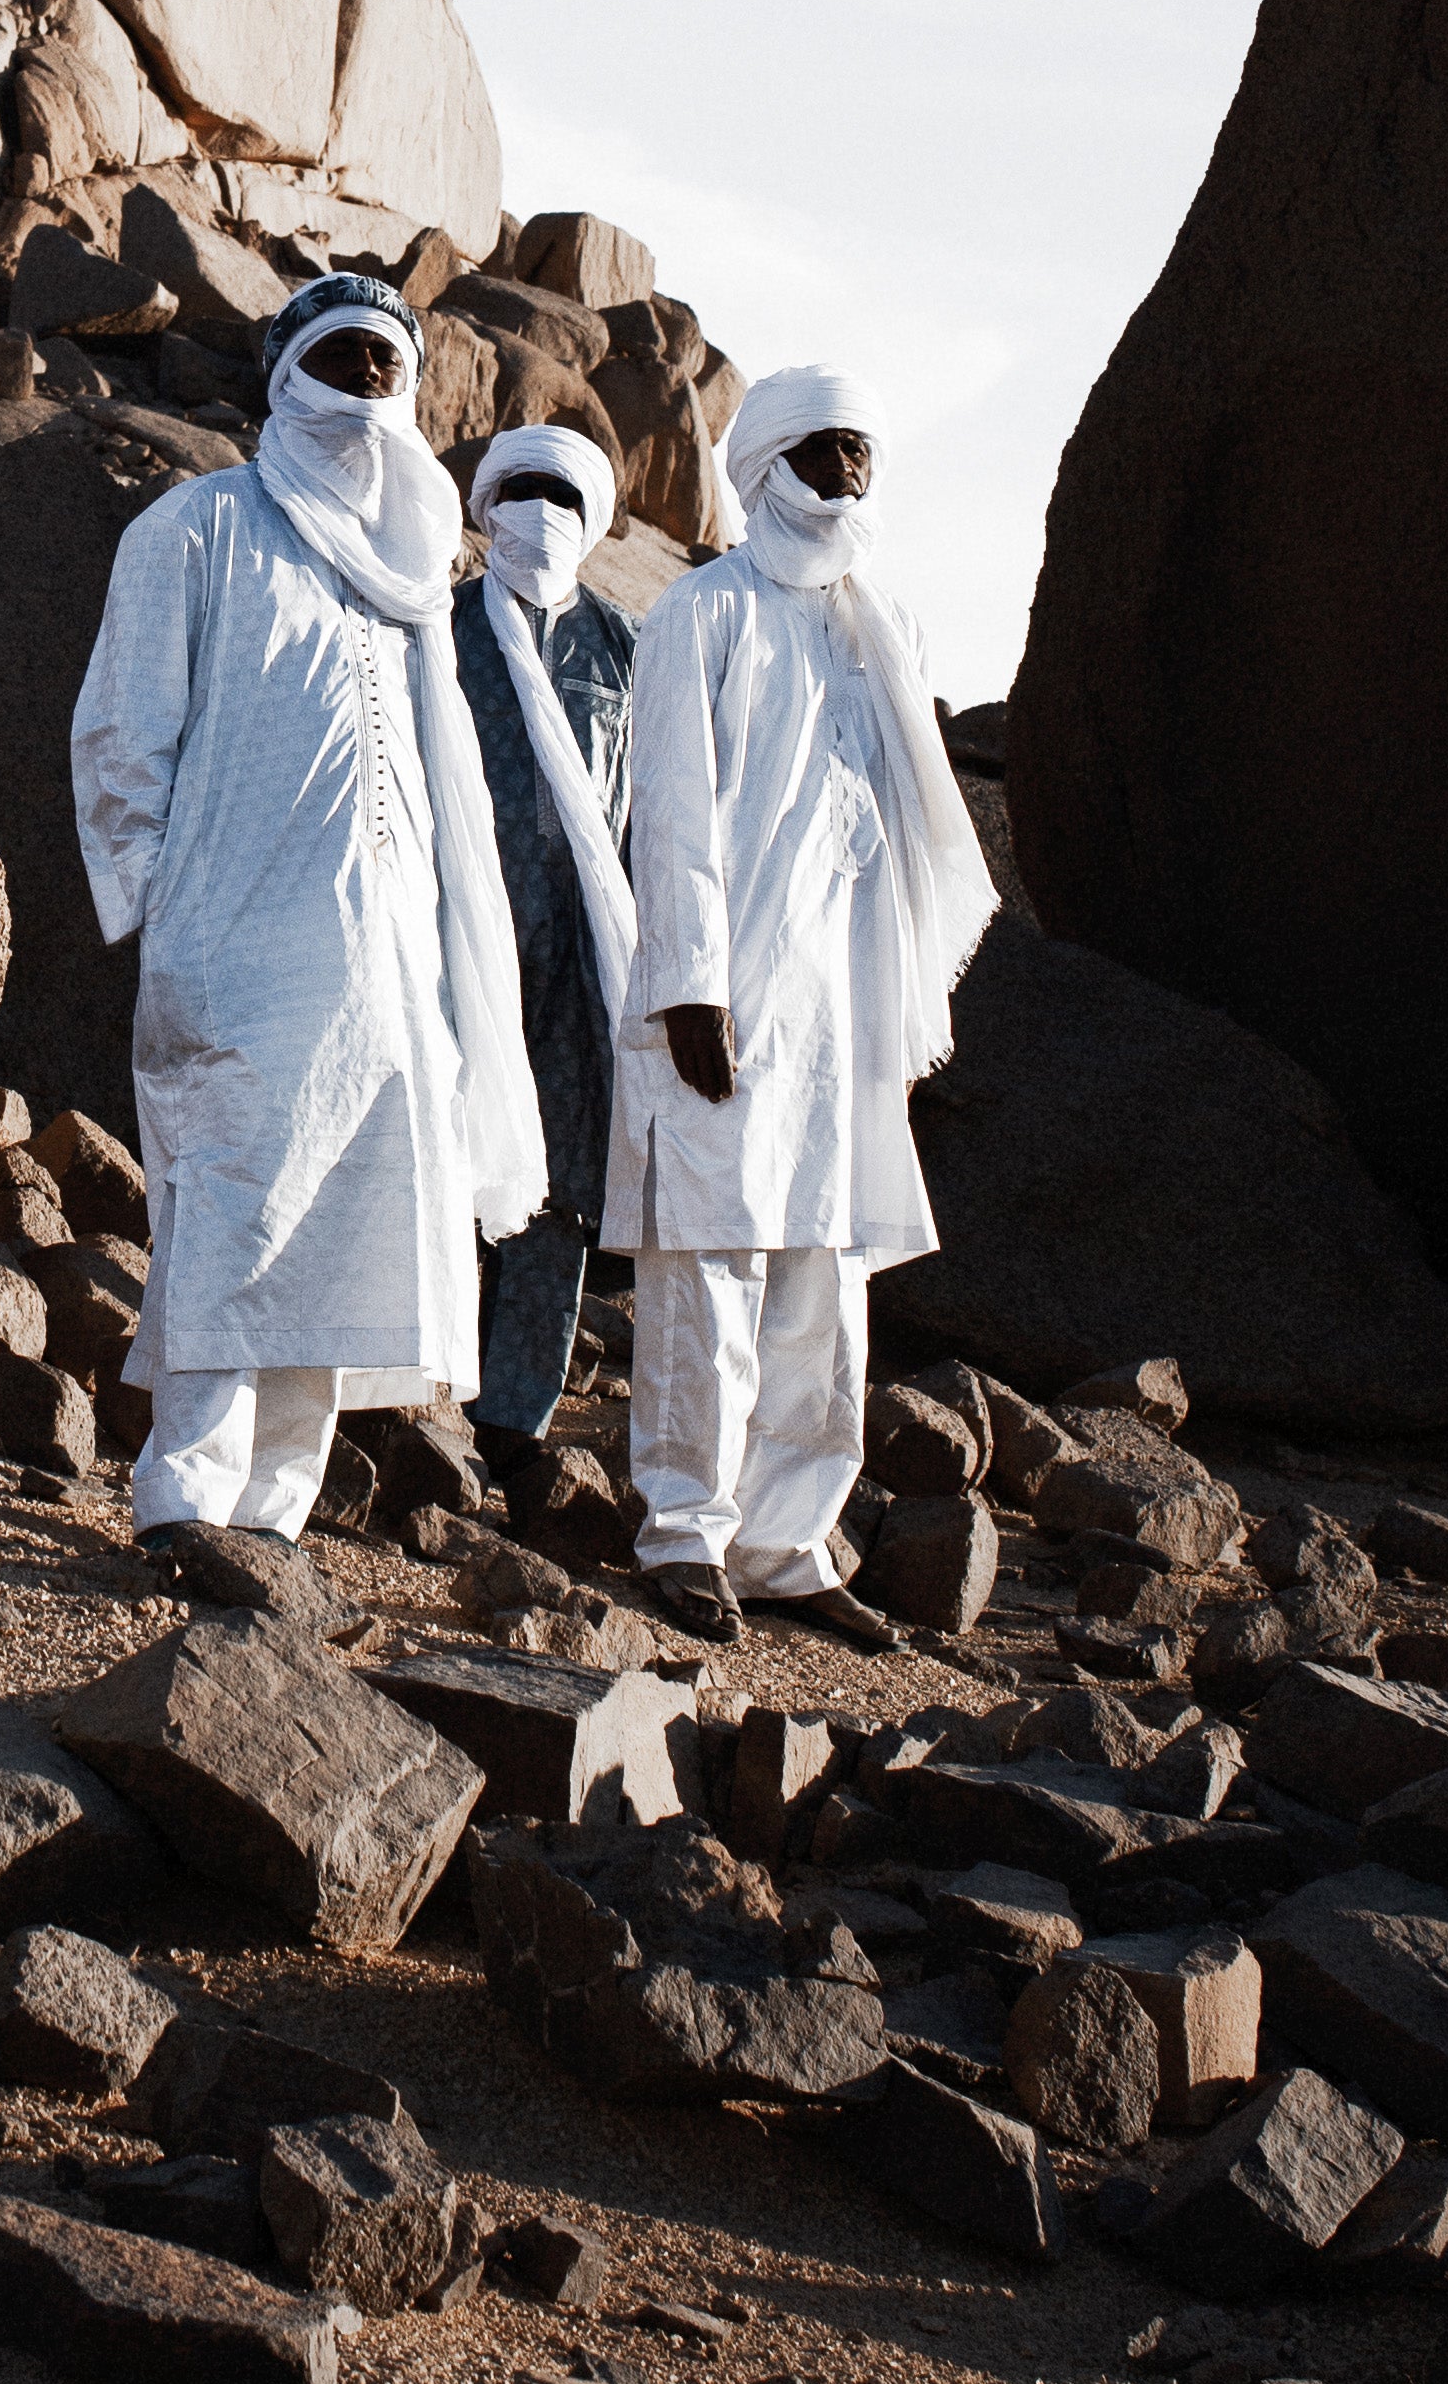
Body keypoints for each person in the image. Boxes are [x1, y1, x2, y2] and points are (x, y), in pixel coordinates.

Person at [70, 268, 539, 1559]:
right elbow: (122, 734)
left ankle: (270, 1515)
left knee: (348, 1219)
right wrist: (169, 913)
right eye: (341, 359)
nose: (367, 383)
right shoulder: (201, 525)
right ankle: (180, 1495)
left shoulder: (412, 563)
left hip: (388, 962)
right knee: (236, 1202)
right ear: (285, 374)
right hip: (239, 944)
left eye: (388, 363)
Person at [605, 359, 997, 1638]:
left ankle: (788, 1543)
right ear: (764, 467)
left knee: (824, 1284)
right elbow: (669, 811)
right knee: (707, 1270)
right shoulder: (701, 611)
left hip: (846, 1009)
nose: (842, 478)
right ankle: (683, 1534)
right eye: (820, 454)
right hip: (727, 1004)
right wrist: (688, 990)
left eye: (859, 457)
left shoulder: (880, 624)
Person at [456, 420, 643, 1512]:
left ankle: (514, 1417)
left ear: (592, 518)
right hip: (464, 935)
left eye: (560, 496)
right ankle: (414, 1388)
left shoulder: (625, 645)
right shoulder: (436, 623)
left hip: (581, 952)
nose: (539, 513)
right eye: (519, 490)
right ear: (483, 507)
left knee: (560, 1188)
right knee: (445, 1155)